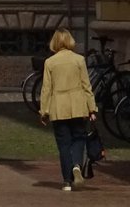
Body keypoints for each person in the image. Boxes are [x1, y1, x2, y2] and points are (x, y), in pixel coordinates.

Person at [39, 27, 96, 190]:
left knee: (64, 144)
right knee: (79, 138)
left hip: (58, 107)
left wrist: (43, 111)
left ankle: (67, 181)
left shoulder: (50, 62)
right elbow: (87, 85)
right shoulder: (79, 60)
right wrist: (92, 108)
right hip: (78, 106)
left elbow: (46, 89)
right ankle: (77, 165)